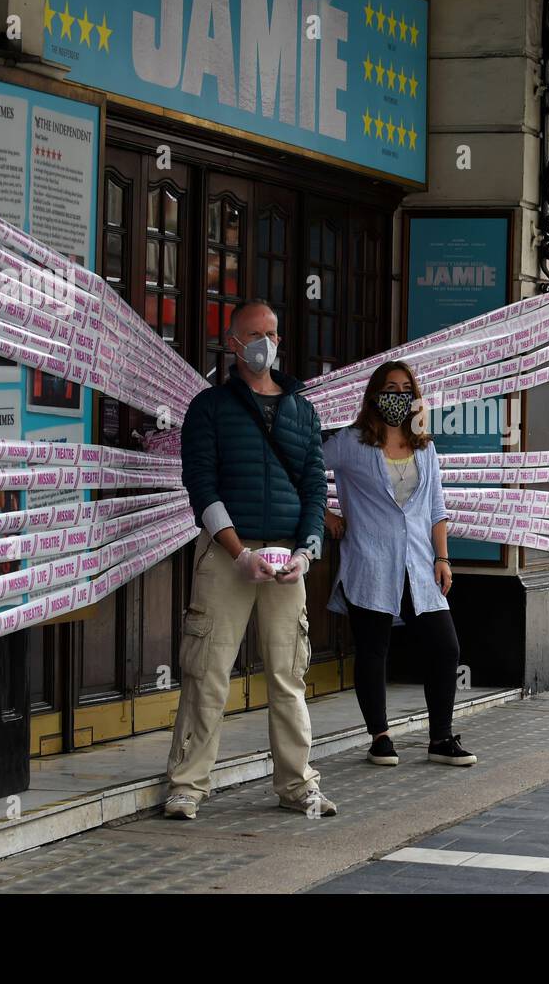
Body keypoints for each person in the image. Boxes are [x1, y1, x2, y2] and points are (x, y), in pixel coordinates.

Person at [163, 299, 336, 820]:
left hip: (287, 560)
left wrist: (308, 551)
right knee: (208, 671)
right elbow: (202, 484)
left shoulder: (302, 409)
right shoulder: (209, 408)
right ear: (234, 343)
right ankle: (188, 785)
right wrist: (238, 553)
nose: (268, 342)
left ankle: (298, 784)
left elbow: (313, 487)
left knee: (288, 674)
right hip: (226, 556)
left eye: (274, 333)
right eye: (256, 334)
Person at [322, 361, 476, 768]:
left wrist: (443, 557)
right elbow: (302, 469)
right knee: (374, 650)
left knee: (446, 647)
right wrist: (326, 515)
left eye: (406, 388)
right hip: (370, 561)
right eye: (390, 387)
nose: (398, 395)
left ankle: (440, 738)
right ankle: (380, 737)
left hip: (420, 564)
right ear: (374, 394)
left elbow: (436, 506)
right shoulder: (352, 443)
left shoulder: (424, 445)